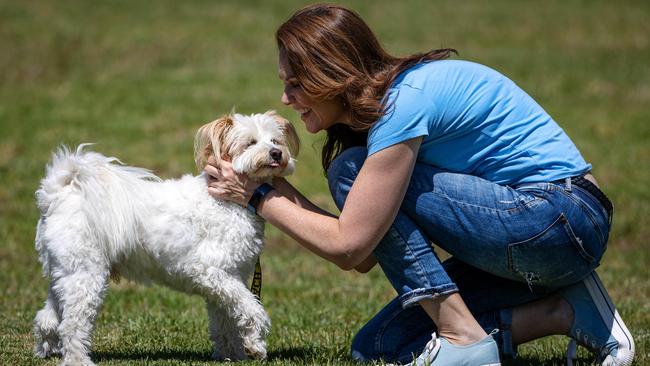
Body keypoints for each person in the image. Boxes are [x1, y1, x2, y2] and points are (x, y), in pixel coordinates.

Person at [204, 4, 635, 365]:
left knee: (349, 170)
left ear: (332, 75)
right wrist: (265, 186)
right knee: (379, 348)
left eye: (295, 84)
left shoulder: (401, 105)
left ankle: (463, 335)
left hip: (560, 219)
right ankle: (565, 309)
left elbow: (350, 245)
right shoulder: (386, 111)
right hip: (542, 238)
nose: (286, 99)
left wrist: (256, 195)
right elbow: (366, 254)